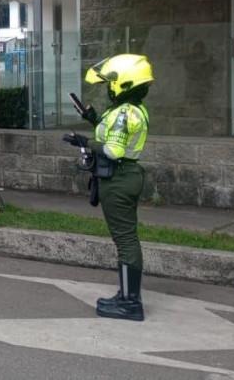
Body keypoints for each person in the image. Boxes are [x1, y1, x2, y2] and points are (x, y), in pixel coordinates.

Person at [64, 54, 153, 322]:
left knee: (125, 239)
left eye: (110, 84)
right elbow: (117, 138)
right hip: (126, 176)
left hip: (119, 178)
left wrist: (85, 141)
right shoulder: (132, 110)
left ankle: (130, 303)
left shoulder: (124, 113)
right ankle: (126, 295)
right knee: (126, 237)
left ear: (123, 84)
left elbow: (113, 150)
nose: (108, 88)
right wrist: (93, 119)